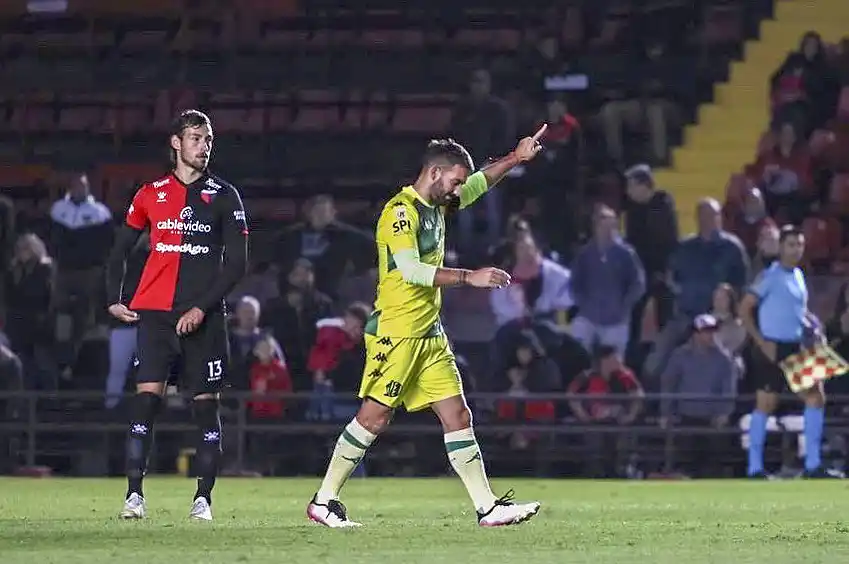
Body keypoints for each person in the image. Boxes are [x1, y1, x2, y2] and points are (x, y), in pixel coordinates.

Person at [306, 125, 548, 528]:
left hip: (429, 332)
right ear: (435, 173)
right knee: (374, 419)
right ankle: (323, 501)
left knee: (458, 415)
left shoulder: (440, 204)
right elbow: (412, 270)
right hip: (397, 331)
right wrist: (470, 277)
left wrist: (515, 158)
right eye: (454, 182)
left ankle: (487, 507)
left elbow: (479, 183)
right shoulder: (400, 212)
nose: (458, 191)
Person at [106, 109, 249, 520]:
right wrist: (114, 299)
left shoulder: (225, 195)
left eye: (208, 139)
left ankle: (202, 500)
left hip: (203, 317)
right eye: (196, 138)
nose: (203, 146)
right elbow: (119, 251)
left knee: (205, 406)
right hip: (155, 315)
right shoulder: (150, 193)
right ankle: (134, 496)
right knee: (145, 404)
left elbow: (237, 264)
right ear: (176, 143)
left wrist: (201, 308)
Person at [739, 225, 840, 479]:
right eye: (791, 244)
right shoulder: (769, 276)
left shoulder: (798, 275)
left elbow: (799, 311)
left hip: (795, 346)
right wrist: (761, 342)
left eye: (800, 244)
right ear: (781, 247)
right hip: (773, 346)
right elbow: (745, 308)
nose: (796, 249)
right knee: (766, 404)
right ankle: (755, 468)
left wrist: (813, 326)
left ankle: (813, 464)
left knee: (815, 396)